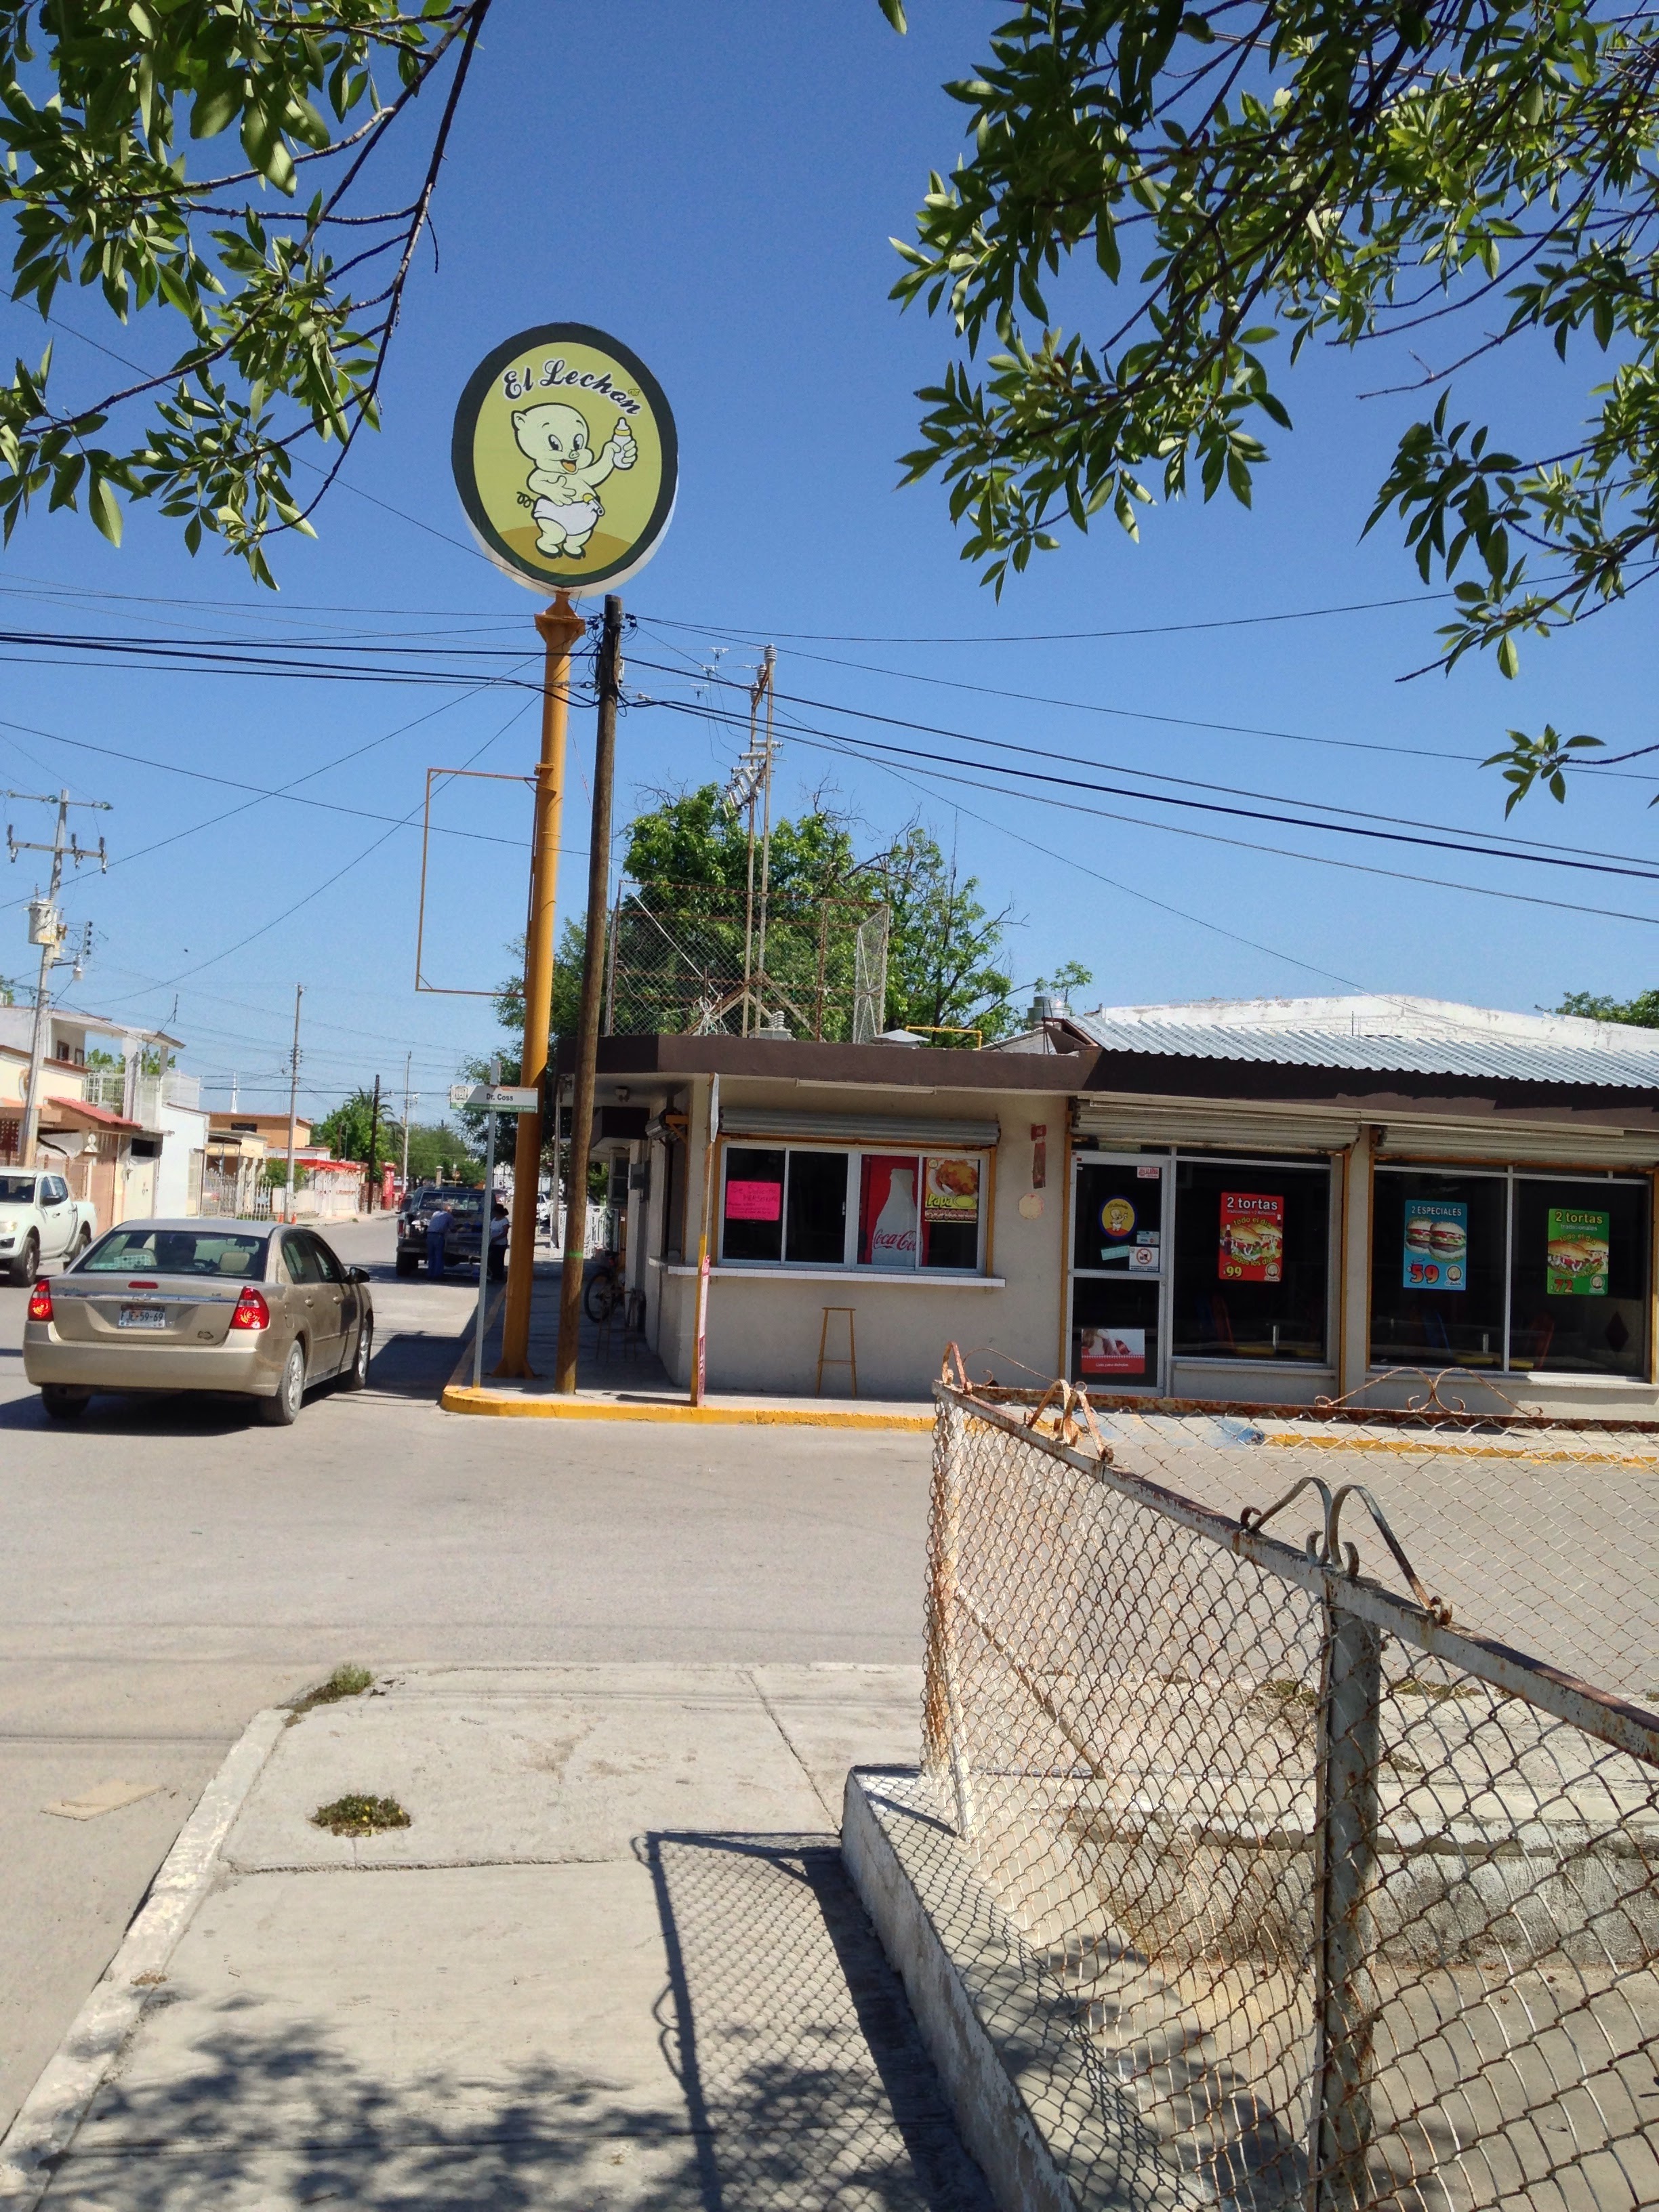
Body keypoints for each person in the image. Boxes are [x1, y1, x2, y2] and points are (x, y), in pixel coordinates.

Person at [426, 1199, 454, 1278]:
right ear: (449, 1210)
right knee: (439, 1256)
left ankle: (430, 1274)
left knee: (431, 1256)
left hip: (429, 1235)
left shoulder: (435, 1213)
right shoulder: (449, 1216)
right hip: (438, 1236)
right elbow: (452, 1229)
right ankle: (437, 1275)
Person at [488, 1196, 509, 1281]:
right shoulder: (494, 1220)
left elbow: (505, 1232)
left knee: (499, 1261)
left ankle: (499, 1276)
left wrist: (497, 1238)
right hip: (493, 1243)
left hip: (501, 1244)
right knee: (492, 1260)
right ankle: (493, 1274)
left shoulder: (504, 1221)